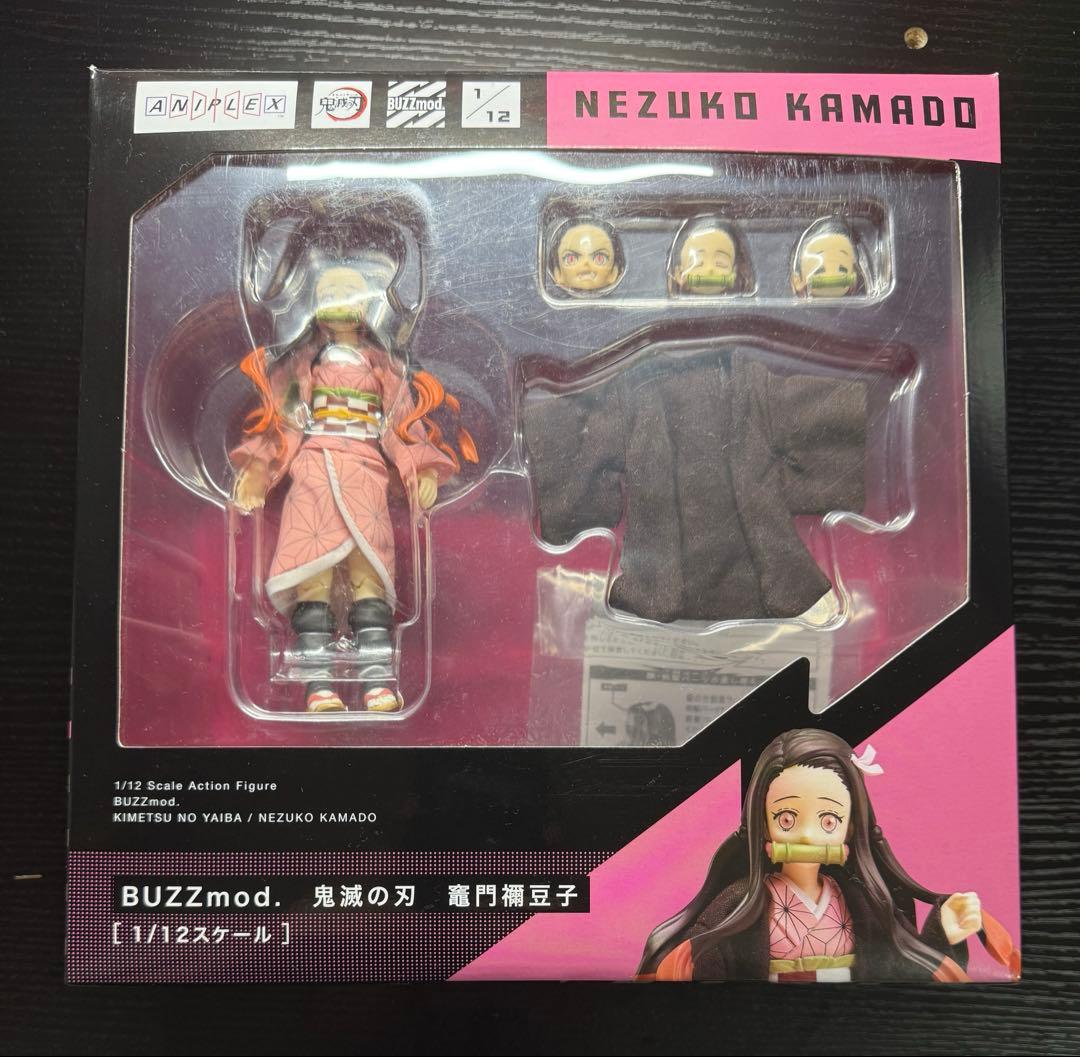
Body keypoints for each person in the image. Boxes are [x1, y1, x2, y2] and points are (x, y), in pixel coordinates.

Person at [231, 260, 475, 713]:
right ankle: (317, 685)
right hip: (316, 470)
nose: (340, 303)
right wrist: (260, 468)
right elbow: (284, 420)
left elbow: (402, 424)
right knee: (313, 581)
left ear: (367, 305)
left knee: (370, 578)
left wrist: (420, 468)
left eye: (349, 293)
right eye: (329, 295)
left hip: (365, 472)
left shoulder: (385, 369)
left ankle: (376, 679)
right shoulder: (304, 367)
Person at [637, 728, 1019, 982]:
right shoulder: (741, 904)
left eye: (829, 819)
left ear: (851, 826)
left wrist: (943, 933)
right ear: (763, 823)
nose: (807, 833)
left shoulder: (863, 903)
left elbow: (902, 974)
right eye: (787, 818)